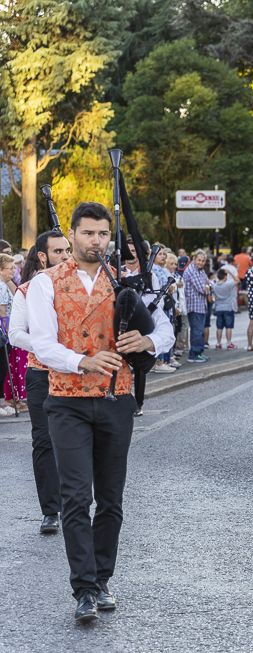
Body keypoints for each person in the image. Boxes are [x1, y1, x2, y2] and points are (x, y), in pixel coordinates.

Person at [26, 201, 175, 622]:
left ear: (111, 237)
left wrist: (148, 342)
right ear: (72, 235)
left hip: (117, 399)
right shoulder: (45, 284)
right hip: (66, 400)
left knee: (110, 498)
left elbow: (164, 326)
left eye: (103, 234)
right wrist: (83, 361)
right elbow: (42, 344)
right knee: (76, 497)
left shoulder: (127, 282)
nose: (96, 240)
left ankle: (103, 579)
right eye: (88, 233)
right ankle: (84, 589)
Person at [9, 230, 71, 535]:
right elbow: (15, 334)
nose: (65, 257)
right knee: (44, 441)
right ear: (43, 256)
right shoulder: (26, 290)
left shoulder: (81, 287)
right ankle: (50, 510)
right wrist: (47, 346)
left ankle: (76, 503)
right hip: (41, 374)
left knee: (76, 440)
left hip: (75, 373)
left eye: (67, 251)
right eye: (58, 252)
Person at [0, 253, 26, 413]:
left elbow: (17, 293)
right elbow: (2, 312)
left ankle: (7, 401)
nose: (13, 271)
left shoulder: (5, 284)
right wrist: (9, 333)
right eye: (9, 268)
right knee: (3, 368)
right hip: (4, 332)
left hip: (6, 330)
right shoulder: (1, 286)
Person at [183, 250, 212, 363]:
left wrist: (208, 286)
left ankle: (198, 353)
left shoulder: (200, 270)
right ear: (194, 259)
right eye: (199, 260)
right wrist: (208, 287)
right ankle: (193, 355)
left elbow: (209, 283)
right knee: (197, 331)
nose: (201, 262)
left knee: (199, 331)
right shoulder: (192, 271)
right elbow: (202, 289)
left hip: (200, 305)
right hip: (194, 306)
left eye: (203, 261)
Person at [211, 269, 238, 349]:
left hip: (218, 308)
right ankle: (229, 343)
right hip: (228, 307)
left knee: (219, 327)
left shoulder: (215, 286)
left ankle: (218, 343)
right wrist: (230, 273)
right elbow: (237, 281)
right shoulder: (228, 284)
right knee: (228, 327)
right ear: (225, 276)